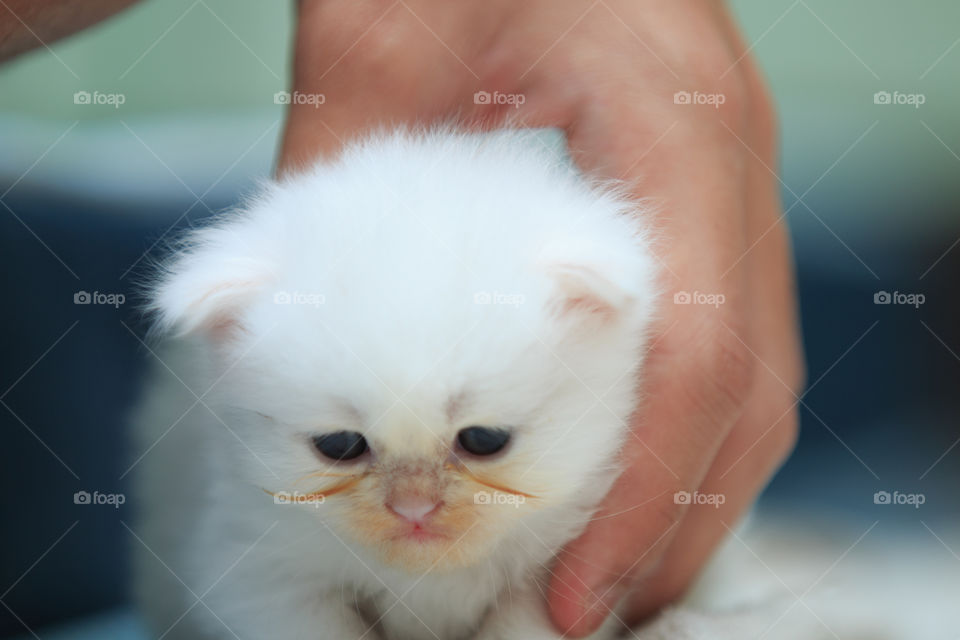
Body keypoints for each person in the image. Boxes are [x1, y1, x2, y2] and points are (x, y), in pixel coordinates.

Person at [2, 0, 804, 635]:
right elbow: (241, 584)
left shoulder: (575, 317)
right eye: (341, 448)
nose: (415, 505)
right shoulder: (259, 359)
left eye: (483, 442)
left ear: (606, 331)